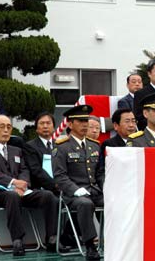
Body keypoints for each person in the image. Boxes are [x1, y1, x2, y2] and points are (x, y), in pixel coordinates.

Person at [0, 115, 58, 256]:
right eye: (2, 127)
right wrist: (14, 183)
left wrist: (22, 184)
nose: (6, 130)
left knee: (48, 196)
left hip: (20, 191)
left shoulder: (17, 150)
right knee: (12, 195)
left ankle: (52, 238)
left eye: (9, 127)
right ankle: (17, 240)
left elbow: (24, 170)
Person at [52, 105, 104, 261]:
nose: (85, 124)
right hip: (73, 194)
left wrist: (106, 188)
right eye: (80, 121)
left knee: (114, 201)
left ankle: (116, 240)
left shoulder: (94, 145)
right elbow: (59, 176)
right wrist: (75, 189)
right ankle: (90, 245)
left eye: (86, 121)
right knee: (84, 204)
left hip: (94, 190)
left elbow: (100, 172)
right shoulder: (61, 146)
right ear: (69, 124)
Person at [22, 112, 59, 195]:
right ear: (36, 129)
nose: (45, 126)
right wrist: (55, 185)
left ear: (53, 127)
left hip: (61, 186)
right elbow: (36, 170)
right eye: (42, 123)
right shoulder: (30, 146)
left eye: (48, 123)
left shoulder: (60, 145)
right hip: (41, 189)